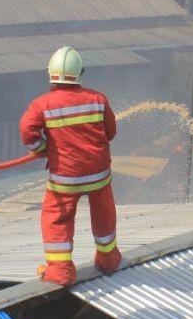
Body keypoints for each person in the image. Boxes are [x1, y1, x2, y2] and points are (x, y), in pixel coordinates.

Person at [19, 47, 122, 286]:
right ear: (80, 73)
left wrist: (41, 147)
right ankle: (108, 259)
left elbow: (27, 131)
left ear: (51, 74)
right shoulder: (98, 99)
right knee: (104, 213)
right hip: (99, 174)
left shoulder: (41, 104)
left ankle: (61, 271)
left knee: (57, 218)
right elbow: (111, 132)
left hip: (65, 178)